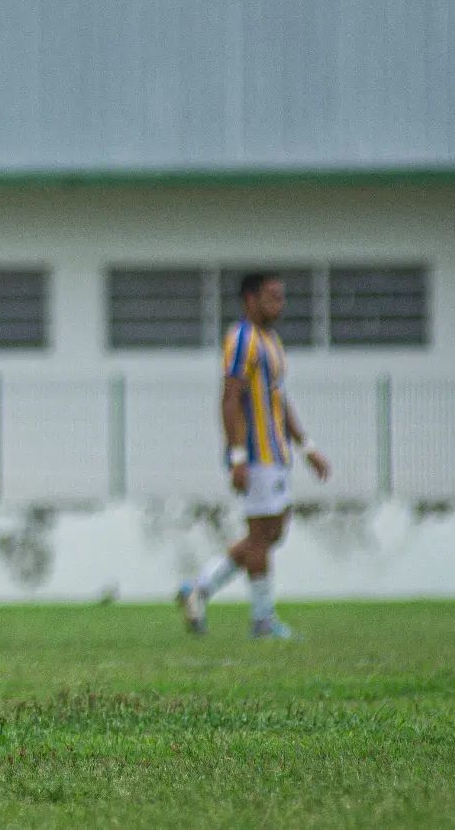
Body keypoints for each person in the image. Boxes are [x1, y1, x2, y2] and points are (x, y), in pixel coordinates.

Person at [178, 272, 332, 639]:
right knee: (261, 537)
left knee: (270, 533)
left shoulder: (272, 342)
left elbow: (278, 399)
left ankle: (199, 589)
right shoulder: (241, 339)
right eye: (272, 297)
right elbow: (230, 399)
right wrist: (236, 456)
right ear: (251, 299)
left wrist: (306, 446)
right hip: (256, 454)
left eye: (282, 297)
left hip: (276, 452)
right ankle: (261, 619)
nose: (280, 304)